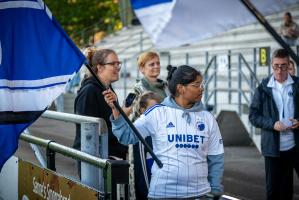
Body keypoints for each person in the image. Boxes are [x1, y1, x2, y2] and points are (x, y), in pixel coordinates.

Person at [104, 65, 224, 199]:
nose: (202, 88)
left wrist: (215, 188)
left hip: (199, 194)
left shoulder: (208, 118)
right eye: (197, 84)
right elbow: (127, 137)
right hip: (163, 193)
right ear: (181, 88)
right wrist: (117, 112)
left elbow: (216, 157)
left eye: (202, 84)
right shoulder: (157, 112)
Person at [249, 49, 299, 200]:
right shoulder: (263, 87)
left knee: (287, 190)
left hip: (295, 146)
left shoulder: (297, 85)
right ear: (271, 65)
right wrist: (272, 124)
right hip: (273, 149)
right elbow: (253, 116)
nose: (280, 70)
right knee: (273, 192)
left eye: (283, 66)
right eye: (276, 66)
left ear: (289, 64)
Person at [73, 48, 128, 177]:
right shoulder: (89, 91)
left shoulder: (108, 90)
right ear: (99, 67)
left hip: (111, 157)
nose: (117, 67)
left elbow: (111, 122)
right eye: (113, 64)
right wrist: (124, 136)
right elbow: (89, 132)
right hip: (95, 161)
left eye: (118, 63)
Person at [129, 51, 168, 199]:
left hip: (163, 140)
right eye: (151, 64)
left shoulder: (165, 87)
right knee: (145, 181)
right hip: (144, 140)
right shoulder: (137, 89)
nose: (156, 66)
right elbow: (130, 115)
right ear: (142, 68)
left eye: (158, 63)